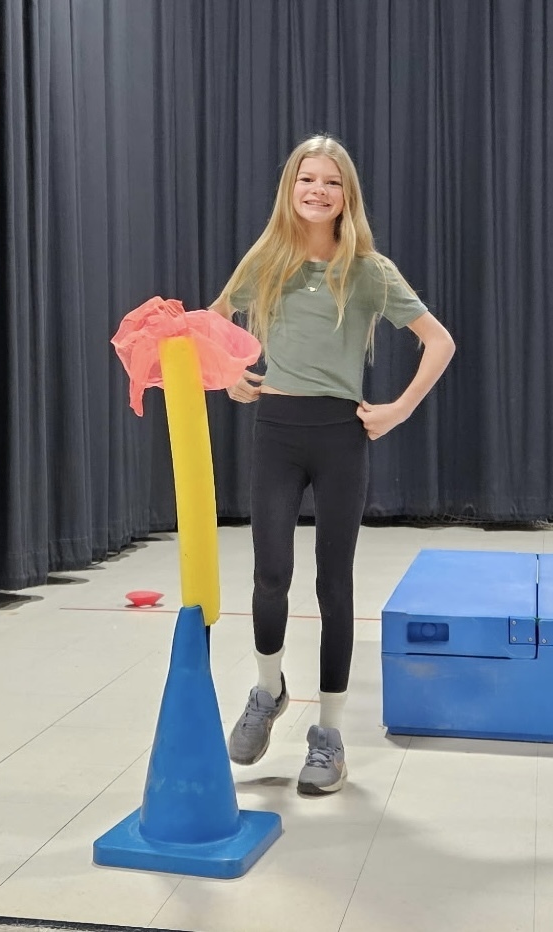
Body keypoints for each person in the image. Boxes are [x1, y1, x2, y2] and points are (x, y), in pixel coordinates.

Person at [210, 134, 455, 796]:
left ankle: (332, 735)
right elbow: (214, 324)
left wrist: (399, 408)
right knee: (270, 572)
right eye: (306, 179)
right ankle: (268, 693)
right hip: (277, 432)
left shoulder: (370, 271)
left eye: (331, 182)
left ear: (347, 196)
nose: (317, 190)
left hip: (341, 436)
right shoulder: (267, 260)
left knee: (333, 584)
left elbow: (440, 340)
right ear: (290, 189)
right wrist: (231, 374)